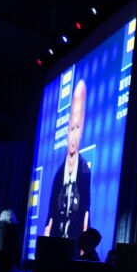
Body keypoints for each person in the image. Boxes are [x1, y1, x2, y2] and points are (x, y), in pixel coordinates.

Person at [44, 79, 91, 238]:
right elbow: (50, 215)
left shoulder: (85, 172)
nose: (73, 137)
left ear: (83, 126)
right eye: (71, 128)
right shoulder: (58, 175)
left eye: (77, 128)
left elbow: (85, 213)